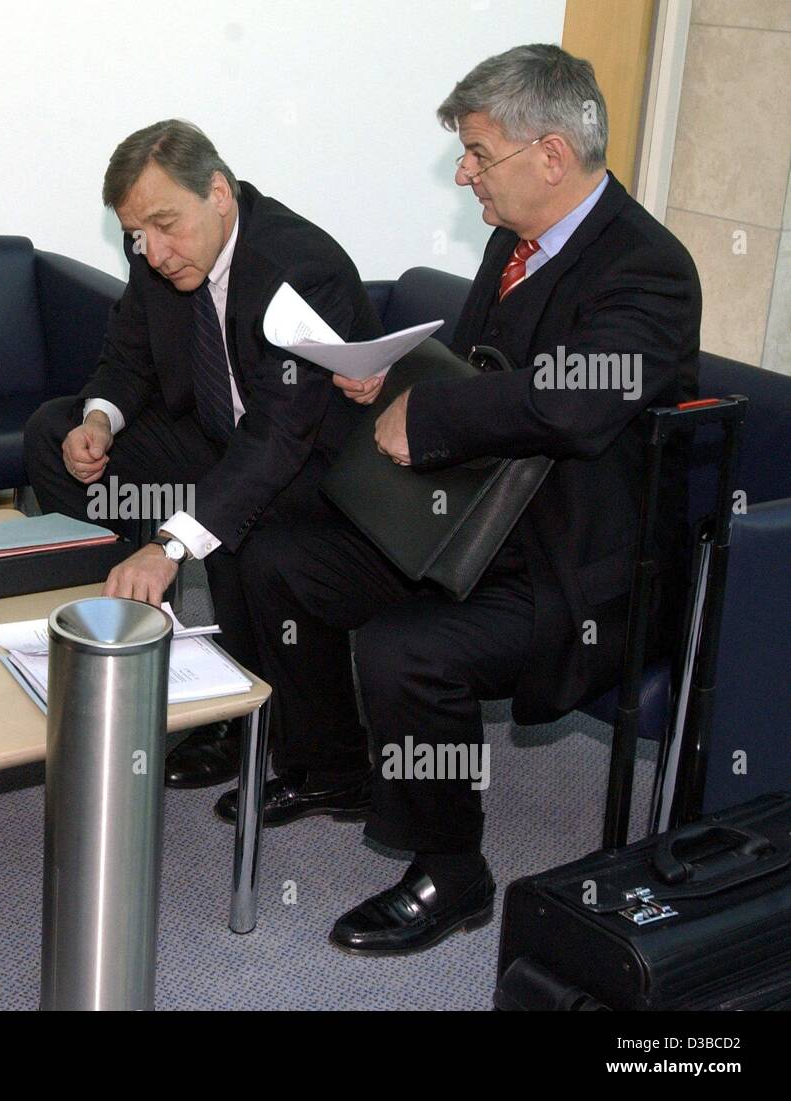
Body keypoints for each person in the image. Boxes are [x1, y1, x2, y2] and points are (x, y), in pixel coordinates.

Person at [229, 43, 700, 955]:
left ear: (552, 155)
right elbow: (482, 373)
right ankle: (335, 769)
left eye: (479, 154)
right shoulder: (510, 243)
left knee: (410, 651)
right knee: (277, 552)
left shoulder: (651, 268)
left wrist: (432, 411)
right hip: (464, 523)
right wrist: (393, 376)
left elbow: (573, 395)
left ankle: (453, 868)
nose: (465, 174)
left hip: (567, 565)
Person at [23, 119, 382, 788]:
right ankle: (126, 635)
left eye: (165, 225)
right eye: (138, 234)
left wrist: (170, 543)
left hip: (313, 467)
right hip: (220, 439)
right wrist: (99, 420)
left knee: (242, 526)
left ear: (219, 192)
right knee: (53, 428)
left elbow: (277, 439)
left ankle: (311, 751)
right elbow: (127, 359)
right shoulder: (159, 254)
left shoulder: (299, 269)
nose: (153, 252)